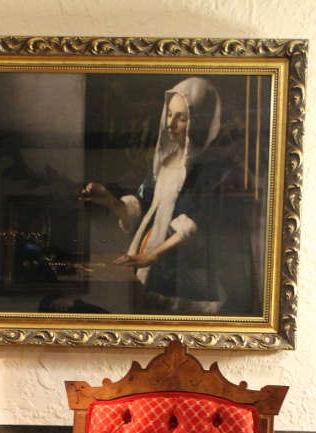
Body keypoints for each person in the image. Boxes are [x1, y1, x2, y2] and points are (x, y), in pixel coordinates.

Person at [82, 76, 234, 315]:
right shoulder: (163, 162)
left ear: (199, 122)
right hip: (147, 257)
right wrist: (110, 200)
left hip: (181, 262)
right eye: (170, 114)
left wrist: (152, 256)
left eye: (181, 118)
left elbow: (194, 225)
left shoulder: (209, 169)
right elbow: (142, 209)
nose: (171, 124)